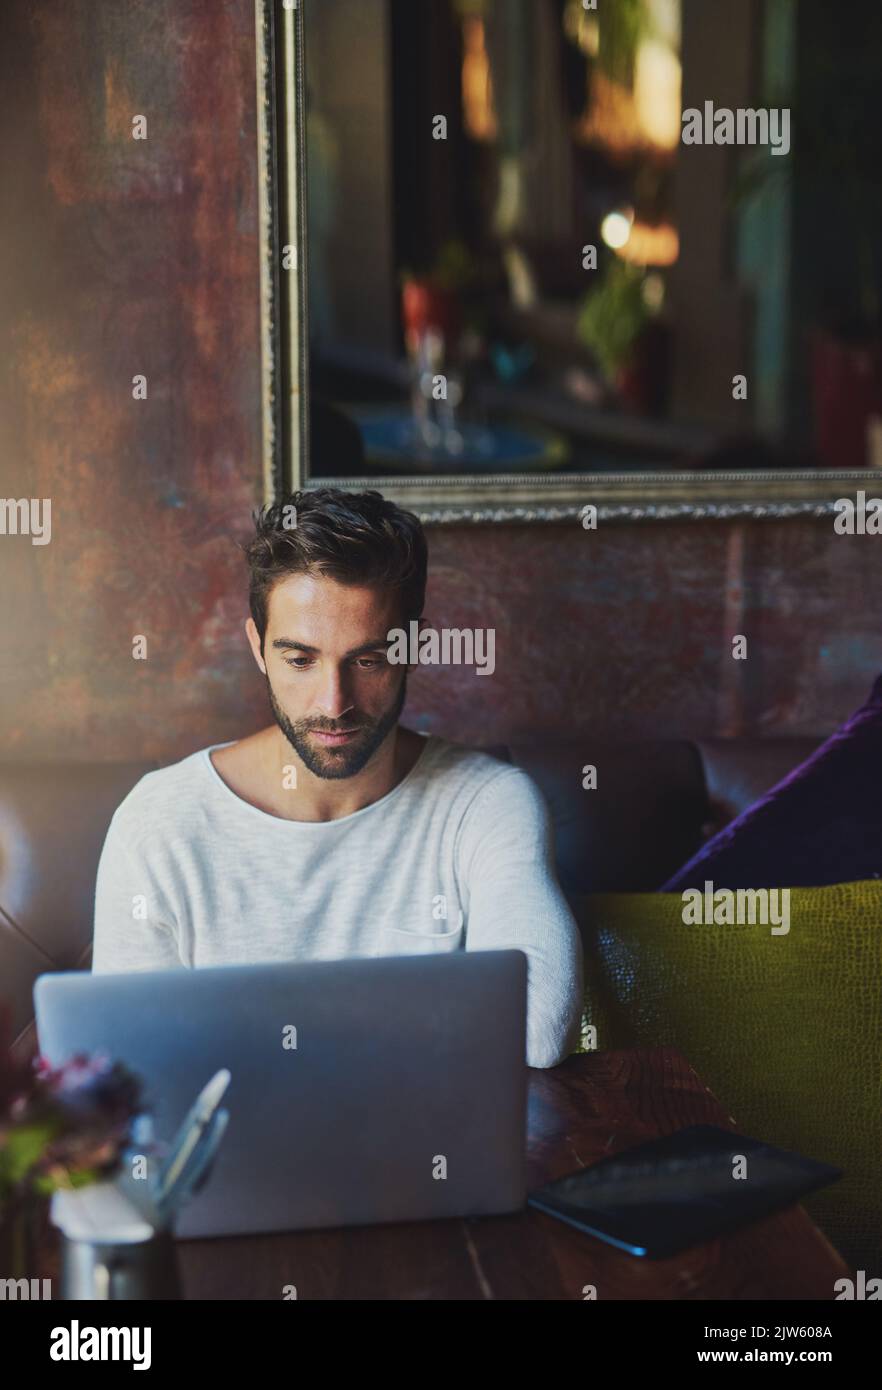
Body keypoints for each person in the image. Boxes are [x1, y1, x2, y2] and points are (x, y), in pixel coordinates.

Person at [92, 487, 583, 1068]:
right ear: (258, 649)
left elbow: (537, 1029)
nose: (334, 701)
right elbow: (125, 1064)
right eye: (300, 660)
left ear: (414, 648)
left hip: (422, 1151)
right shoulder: (160, 822)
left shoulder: (486, 805)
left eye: (368, 659)